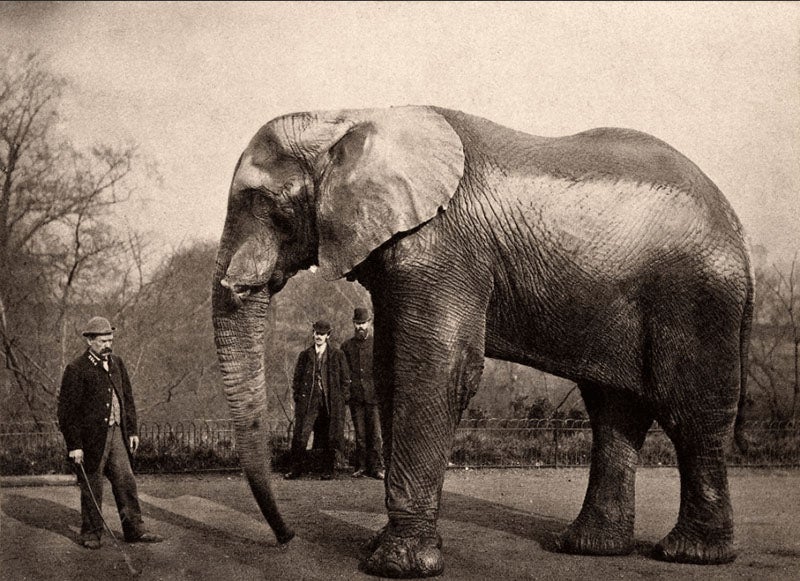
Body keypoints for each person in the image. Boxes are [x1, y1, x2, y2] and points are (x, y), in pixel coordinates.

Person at [57, 316, 163, 549]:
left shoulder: (117, 363)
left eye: (110, 339)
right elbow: (67, 412)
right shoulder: (76, 368)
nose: (108, 344)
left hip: (117, 435)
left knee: (126, 481)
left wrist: (132, 430)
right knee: (92, 486)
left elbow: (127, 398)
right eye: (103, 341)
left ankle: (135, 529)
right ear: (90, 341)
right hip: (90, 440)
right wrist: (74, 445)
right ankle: (91, 534)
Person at [285, 320, 351, 480]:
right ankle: (296, 469)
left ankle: (327, 470)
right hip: (309, 402)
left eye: (322, 334)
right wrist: (299, 398)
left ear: (328, 335)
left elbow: (345, 380)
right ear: (313, 333)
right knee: (302, 434)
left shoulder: (337, 355)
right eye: (316, 333)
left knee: (330, 434)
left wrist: (341, 400)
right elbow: (297, 380)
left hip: (330, 403)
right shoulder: (305, 355)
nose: (318, 336)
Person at [341, 307, 385, 480]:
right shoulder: (346, 346)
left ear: (369, 323)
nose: (360, 326)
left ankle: (377, 468)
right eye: (358, 323)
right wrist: (348, 393)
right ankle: (361, 467)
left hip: (373, 397)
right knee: (360, 434)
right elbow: (345, 373)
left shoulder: (377, 345)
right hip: (356, 397)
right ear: (353, 323)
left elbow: (382, 371)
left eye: (363, 323)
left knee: (376, 434)